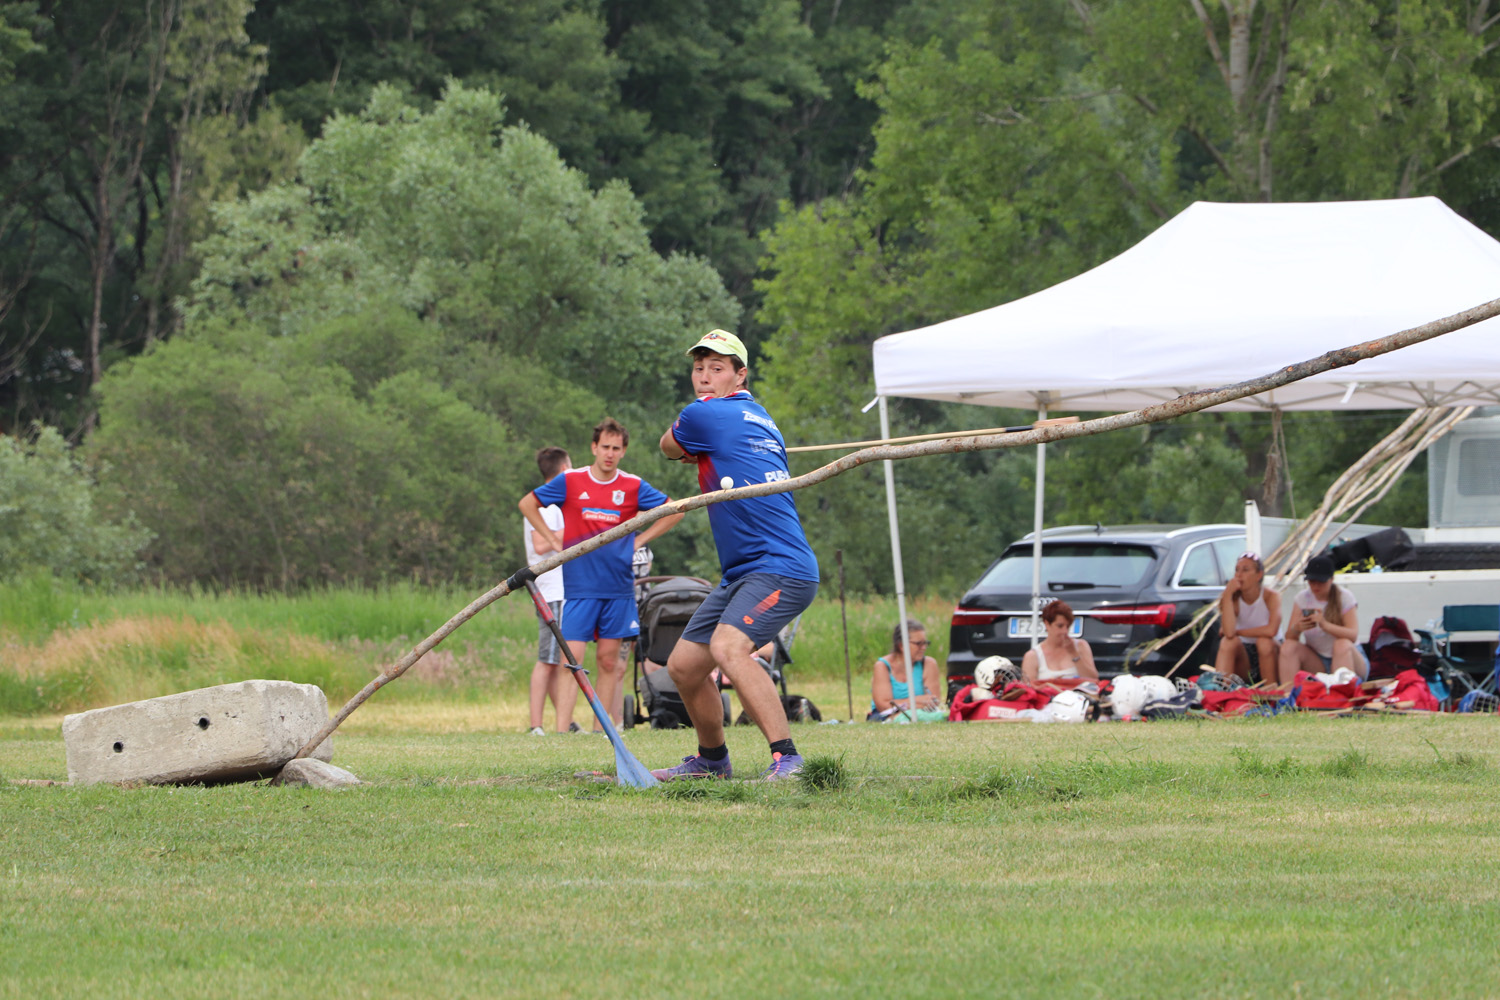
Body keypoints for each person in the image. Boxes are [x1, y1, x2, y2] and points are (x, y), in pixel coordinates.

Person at [651, 329, 821, 782]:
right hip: (743, 573)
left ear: (740, 374)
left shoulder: (702, 414)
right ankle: (711, 761)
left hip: (780, 568)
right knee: (684, 668)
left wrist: (689, 450)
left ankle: (789, 759)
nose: (704, 377)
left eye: (716, 368)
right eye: (698, 368)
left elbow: (667, 447)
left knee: (729, 648)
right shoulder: (762, 418)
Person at [519, 419, 683, 728]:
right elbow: (528, 504)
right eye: (605, 447)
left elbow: (675, 510)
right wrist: (553, 541)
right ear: (594, 448)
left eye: (616, 448)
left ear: (623, 452)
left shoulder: (632, 485)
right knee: (572, 662)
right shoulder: (571, 480)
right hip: (578, 588)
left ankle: (602, 730)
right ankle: (562, 732)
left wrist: (639, 541)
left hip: (618, 587)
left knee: (609, 662)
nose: (610, 453)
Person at [522, 447, 577, 735]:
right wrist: (577, 528)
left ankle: (566, 723)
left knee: (557, 661)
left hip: (559, 590)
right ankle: (536, 725)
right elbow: (541, 545)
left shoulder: (555, 505)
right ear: (565, 469)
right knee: (547, 660)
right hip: (551, 591)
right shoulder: (548, 506)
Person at [1277, 554, 1368, 682]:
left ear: (1331, 579)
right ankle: (1289, 692)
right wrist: (1297, 628)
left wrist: (1325, 625)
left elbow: (1352, 635)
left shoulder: (1345, 597)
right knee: (1288, 646)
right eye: (1312, 582)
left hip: (1349, 658)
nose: (1316, 586)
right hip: (1318, 659)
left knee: (1341, 644)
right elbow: (1289, 637)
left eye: (1321, 582)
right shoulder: (1302, 598)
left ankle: (1342, 690)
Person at [1214, 551, 1281, 684]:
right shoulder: (1234, 598)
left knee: (1264, 642)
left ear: (1259, 575)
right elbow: (1228, 633)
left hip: (1271, 651)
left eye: (1245, 570)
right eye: (1237, 570)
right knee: (1228, 643)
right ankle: (1221, 688)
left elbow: (1271, 630)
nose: (1239, 575)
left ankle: (1271, 689)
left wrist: (1239, 632)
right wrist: (1227, 594)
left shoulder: (1271, 597)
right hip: (1245, 655)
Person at [869, 619, 947, 722]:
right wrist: (917, 700)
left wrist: (905, 704)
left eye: (925, 643)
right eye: (918, 644)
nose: (924, 647)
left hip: (922, 714)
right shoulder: (882, 666)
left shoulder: (929, 664)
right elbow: (884, 706)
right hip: (886, 716)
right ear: (901, 645)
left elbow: (933, 702)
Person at [1020, 600, 1099, 683]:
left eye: (1067, 626)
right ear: (1047, 624)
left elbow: (1093, 680)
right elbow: (1028, 688)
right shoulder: (1033, 656)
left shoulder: (1080, 646)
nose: (1065, 631)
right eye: (1060, 626)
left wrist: (1074, 654)